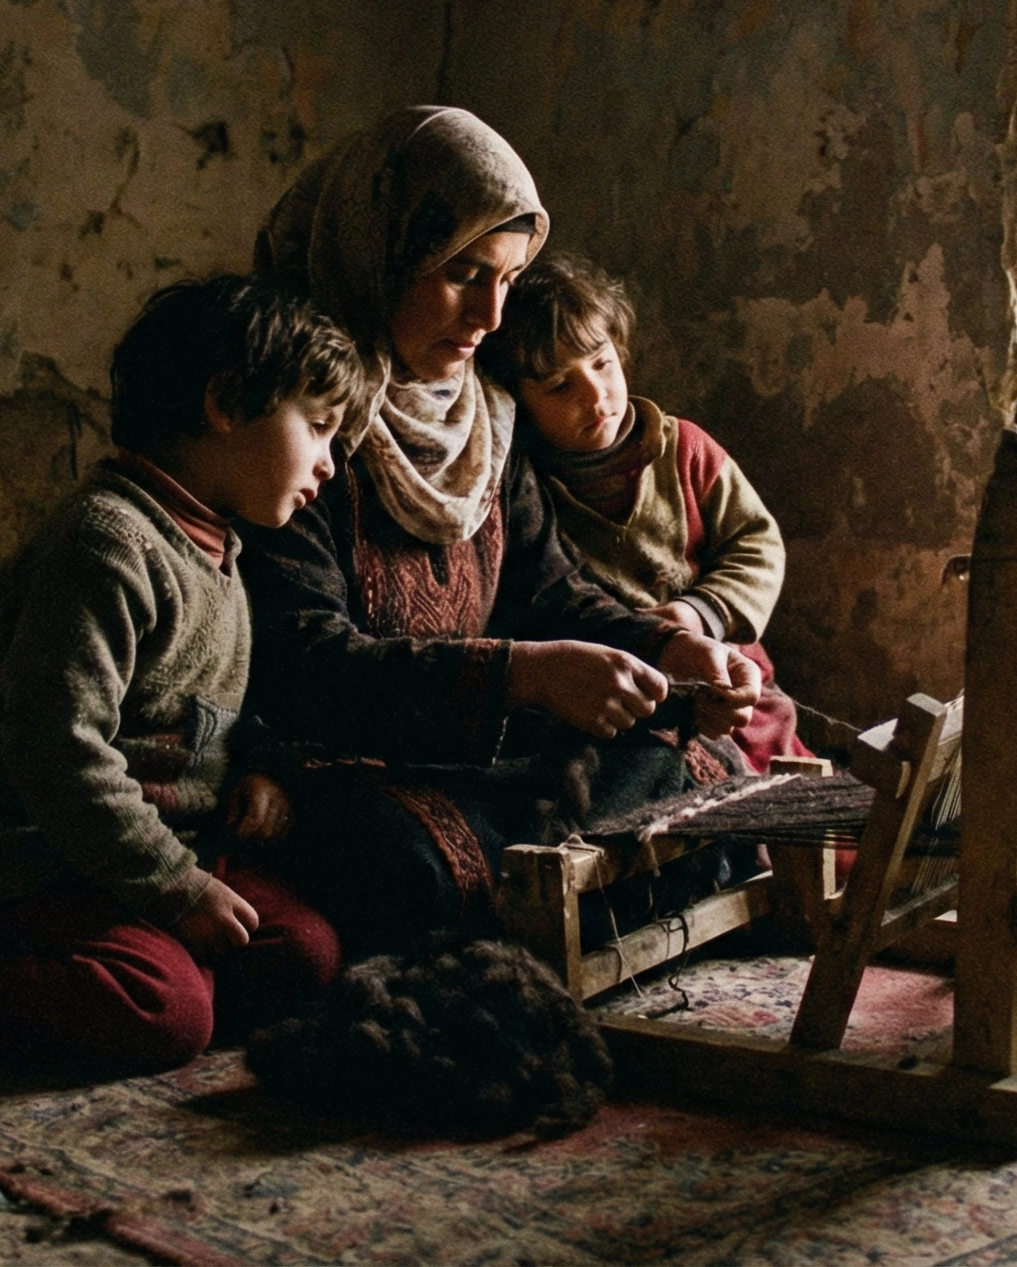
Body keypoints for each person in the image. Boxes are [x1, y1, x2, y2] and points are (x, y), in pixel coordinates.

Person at [0, 276, 369, 1072]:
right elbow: (56, 751)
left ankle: (130, 965)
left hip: (165, 847)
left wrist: (256, 771)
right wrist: (177, 892)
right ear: (225, 404)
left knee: (307, 955)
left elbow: (208, 710)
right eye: (317, 428)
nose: (328, 463)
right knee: (164, 1014)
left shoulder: (219, 547)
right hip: (50, 856)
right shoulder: (106, 545)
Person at [240, 105, 764, 956]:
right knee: (411, 866)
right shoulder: (294, 426)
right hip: (342, 768)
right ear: (378, 254)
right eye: (462, 273)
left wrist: (667, 650)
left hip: (479, 756)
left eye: (511, 278)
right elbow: (303, 664)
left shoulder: (486, 420)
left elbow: (547, 591)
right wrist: (523, 676)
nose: (490, 313)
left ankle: (547, 907)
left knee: (696, 765)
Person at [478, 253, 813, 771]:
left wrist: (699, 614)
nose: (595, 394)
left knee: (786, 777)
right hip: (627, 693)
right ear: (516, 401)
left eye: (601, 362)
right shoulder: (528, 490)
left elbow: (757, 544)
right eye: (559, 386)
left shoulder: (684, 450)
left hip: (730, 673)